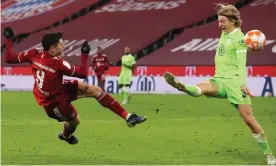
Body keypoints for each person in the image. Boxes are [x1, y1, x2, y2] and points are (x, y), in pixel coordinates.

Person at [163, 4, 276, 165]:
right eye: (219, 21)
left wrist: (243, 84)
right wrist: (224, 9)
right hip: (219, 79)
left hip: (235, 83)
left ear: (233, 21)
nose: (219, 24)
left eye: (222, 21)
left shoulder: (240, 39)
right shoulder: (225, 33)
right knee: (201, 89)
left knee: (249, 120)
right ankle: (181, 86)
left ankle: (269, 154)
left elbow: (242, 63)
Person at [3, 27, 147, 145]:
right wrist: (84, 54)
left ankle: (128, 117)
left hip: (58, 87)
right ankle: (65, 136)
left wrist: (9, 40)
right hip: (54, 103)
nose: (63, 45)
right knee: (75, 122)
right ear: (52, 49)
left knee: (93, 89)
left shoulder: (33, 54)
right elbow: (83, 72)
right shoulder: (57, 63)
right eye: (61, 43)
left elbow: (9, 58)